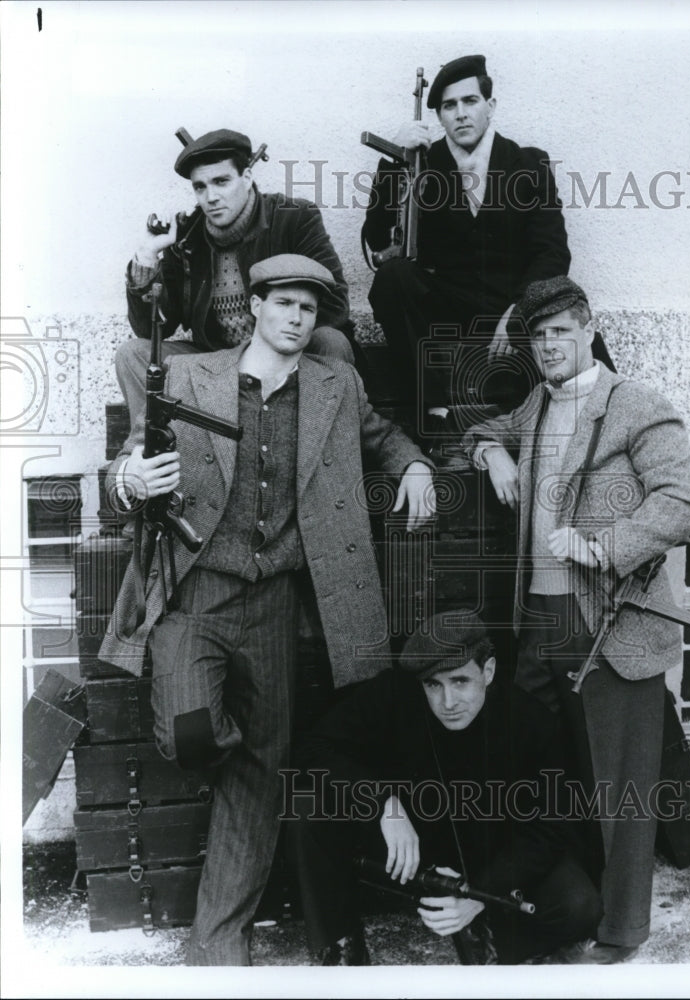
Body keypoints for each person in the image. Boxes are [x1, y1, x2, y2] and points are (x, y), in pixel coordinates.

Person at [99, 254, 436, 966]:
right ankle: (237, 768)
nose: (295, 318)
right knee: (192, 733)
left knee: (261, 773)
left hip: (279, 601)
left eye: (308, 309)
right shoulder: (191, 376)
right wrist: (128, 479)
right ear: (254, 306)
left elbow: (380, 436)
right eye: (282, 303)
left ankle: (217, 947)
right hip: (196, 592)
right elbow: (130, 458)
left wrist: (413, 464)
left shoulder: (334, 383)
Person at [461, 276, 690, 963]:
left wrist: (606, 546)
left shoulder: (634, 405)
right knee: (542, 768)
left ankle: (622, 931)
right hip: (538, 620)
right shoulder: (537, 404)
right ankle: (559, 902)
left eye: (559, 332)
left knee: (621, 782)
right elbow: (479, 428)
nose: (547, 347)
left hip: (612, 622)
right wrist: (492, 453)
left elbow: (685, 500)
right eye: (537, 337)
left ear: (586, 328)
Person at [287, 610, 603, 966]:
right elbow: (313, 749)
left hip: (491, 855)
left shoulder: (532, 722)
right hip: (413, 854)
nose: (448, 702)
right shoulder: (395, 692)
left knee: (579, 905)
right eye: (433, 685)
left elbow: (550, 827)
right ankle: (342, 950)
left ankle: (489, 933)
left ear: (488, 671)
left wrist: (480, 894)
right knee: (310, 807)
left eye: (460, 681)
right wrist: (382, 802)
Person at [363, 54, 611, 455]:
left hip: (512, 305)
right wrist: (395, 164)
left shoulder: (528, 164)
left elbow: (552, 252)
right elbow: (378, 245)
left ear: (490, 107)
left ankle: (601, 429)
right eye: (449, 106)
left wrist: (519, 309)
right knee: (392, 280)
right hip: (445, 309)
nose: (460, 114)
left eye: (470, 101)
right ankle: (434, 414)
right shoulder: (421, 166)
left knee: (567, 305)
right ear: (440, 118)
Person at [117, 128, 356, 426]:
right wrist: (147, 256)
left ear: (247, 177)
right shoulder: (188, 235)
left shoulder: (294, 217)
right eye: (200, 187)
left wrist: (271, 351)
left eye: (221, 182)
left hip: (288, 354)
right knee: (133, 354)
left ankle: (323, 454)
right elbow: (152, 330)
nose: (211, 197)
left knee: (331, 341)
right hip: (218, 362)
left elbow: (334, 306)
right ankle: (166, 454)